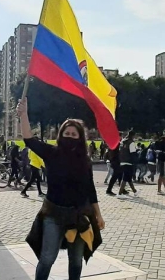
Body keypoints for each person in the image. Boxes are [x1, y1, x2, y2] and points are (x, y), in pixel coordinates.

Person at [17, 98, 104, 280]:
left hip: (80, 216)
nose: (70, 137)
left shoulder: (85, 160)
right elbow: (29, 140)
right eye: (67, 133)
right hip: (53, 215)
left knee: (76, 261)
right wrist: (24, 114)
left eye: (74, 134)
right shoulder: (51, 153)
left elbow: (90, 189)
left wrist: (98, 214)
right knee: (47, 259)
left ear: (80, 138)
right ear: (60, 134)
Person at [116, 131, 139, 199]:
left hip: (122, 161)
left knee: (128, 177)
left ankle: (135, 191)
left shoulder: (123, 141)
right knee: (125, 177)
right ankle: (119, 193)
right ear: (133, 136)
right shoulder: (131, 143)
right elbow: (133, 154)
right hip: (129, 161)